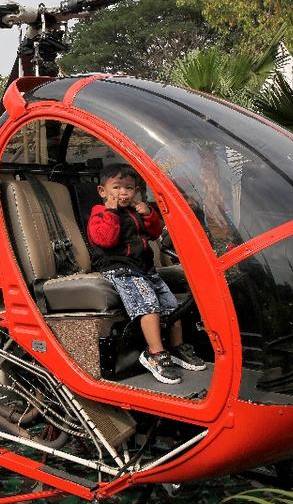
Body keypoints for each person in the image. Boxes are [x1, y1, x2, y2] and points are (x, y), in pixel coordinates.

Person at [87, 164, 205, 384]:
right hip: (121, 270)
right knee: (148, 305)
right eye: (117, 187)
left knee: (172, 307)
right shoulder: (100, 214)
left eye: (129, 188)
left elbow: (155, 233)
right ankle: (155, 354)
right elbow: (105, 239)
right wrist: (112, 212)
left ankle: (177, 347)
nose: (123, 193)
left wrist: (148, 214)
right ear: (103, 192)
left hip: (145, 269)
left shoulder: (135, 211)